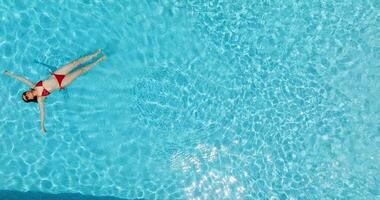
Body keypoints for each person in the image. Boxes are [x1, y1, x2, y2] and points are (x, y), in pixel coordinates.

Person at [3, 49, 106, 133]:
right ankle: (98, 60)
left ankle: (95, 54)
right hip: (62, 82)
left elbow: (22, 79)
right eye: (27, 98)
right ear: (30, 99)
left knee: (75, 63)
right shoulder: (40, 98)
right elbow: (42, 112)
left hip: (56, 74)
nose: (27, 95)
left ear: (26, 92)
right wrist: (42, 126)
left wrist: (10, 74)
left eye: (25, 94)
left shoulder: (33, 85)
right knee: (81, 71)